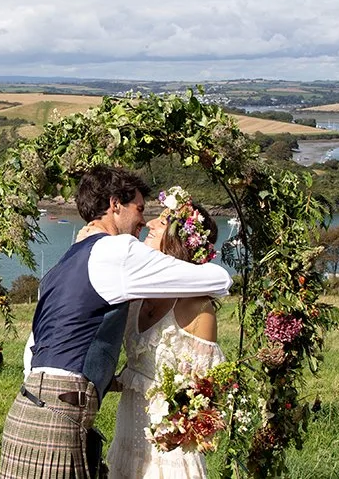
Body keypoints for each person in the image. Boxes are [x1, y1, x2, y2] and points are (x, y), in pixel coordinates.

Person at [0, 166, 232, 479]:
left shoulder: (64, 264)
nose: (145, 221)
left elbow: (34, 349)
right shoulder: (119, 252)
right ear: (114, 205)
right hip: (61, 413)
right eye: (139, 208)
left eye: (156, 219)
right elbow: (219, 278)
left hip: (28, 408)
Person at [105, 186, 224, 479]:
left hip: (169, 452)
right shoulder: (135, 294)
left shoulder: (197, 307)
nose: (150, 224)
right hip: (127, 434)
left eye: (163, 220)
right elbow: (138, 373)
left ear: (180, 240)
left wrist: (173, 432)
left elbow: (205, 394)